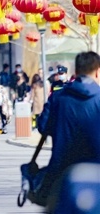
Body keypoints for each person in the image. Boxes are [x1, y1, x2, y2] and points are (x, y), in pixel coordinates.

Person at [36, 51, 100, 212]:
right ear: (98, 71)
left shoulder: (58, 97)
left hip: (61, 171)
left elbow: (43, 126)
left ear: (76, 72)